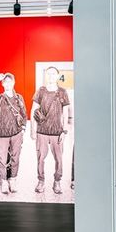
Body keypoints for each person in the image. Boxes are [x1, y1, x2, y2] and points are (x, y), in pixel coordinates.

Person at [31, 66, 71, 194]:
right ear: (46, 76)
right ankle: (41, 181)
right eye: (49, 74)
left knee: (59, 159)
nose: (51, 76)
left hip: (57, 132)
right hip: (41, 131)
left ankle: (57, 181)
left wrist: (64, 131)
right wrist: (32, 130)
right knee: (40, 158)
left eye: (53, 74)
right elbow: (33, 110)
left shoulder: (62, 92)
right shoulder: (41, 91)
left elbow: (65, 113)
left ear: (58, 76)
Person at [0, 72, 27, 194]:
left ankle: (13, 180)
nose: (8, 84)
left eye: (10, 81)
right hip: (2, 133)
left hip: (17, 133)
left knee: (15, 158)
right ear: (3, 84)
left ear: (14, 83)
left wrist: (23, 128)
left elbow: (24, 114)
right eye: (5, 82)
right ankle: (4, 181)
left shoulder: (19, 98)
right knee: (2, 159)